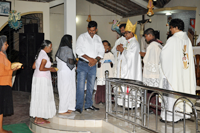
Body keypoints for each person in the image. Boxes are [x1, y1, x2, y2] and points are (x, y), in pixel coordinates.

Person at [159, 19, 196, 123]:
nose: (170, 30)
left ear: (175, 27)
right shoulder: (187, 39)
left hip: (174, 73)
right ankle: (182, 115)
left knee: (172, 92)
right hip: (184, 72)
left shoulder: (173, 39)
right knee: (183, 90)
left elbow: (164, 55)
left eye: (170, 28)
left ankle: (171, 117)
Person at [75, 21, 105, 113]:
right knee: (80, 86)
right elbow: (78, 50)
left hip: (93, 65)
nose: (91, 32)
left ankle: (88, 105)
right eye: (90, 30)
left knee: (91, 86)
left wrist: (95, 60)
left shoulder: (98, 38)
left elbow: (101, 51)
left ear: (96, 29)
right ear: (87, 29)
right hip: (83, 64)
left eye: (93, 30)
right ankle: (79, 107)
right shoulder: (82, 37)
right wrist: (89, 59)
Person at [116, 19, 142, 108]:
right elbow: (124, 53)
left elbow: (131, 56)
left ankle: (130, 104)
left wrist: (122, 50)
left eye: (127, 32)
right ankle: (122, 102)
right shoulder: (128, 42)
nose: (125, 34)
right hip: (124, 68)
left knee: (128, 86)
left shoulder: (135, 43)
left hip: (130, 70)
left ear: (132, 33)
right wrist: (120, 50)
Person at [30, 40, 56, 124]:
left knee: (38, 97)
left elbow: (34, 66)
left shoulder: (39, 54)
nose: (51, 49)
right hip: (43, 79)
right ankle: (40, 118)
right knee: (42, 97)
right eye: (50, 47)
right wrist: (51, 69)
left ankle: (37, 117)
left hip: (36, 78)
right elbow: (41, 68)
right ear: (46, 47)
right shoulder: (44, 56)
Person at [140, 28, 163, 115]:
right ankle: (155, 108)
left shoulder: (152, 45)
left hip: (151, 73)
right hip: (157, 72)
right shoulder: (158, 44)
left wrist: (144, 57)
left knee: (150, 91)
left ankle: (152, 109)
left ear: (150, 35)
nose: (145, 39)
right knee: (156, 92)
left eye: (146, 36)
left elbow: (149, 60)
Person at [0, 35, 19, 133]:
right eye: (5, 44)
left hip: (3, 84)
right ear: (1, 45)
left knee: (1, 107)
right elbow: (1, 73)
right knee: (1, 107)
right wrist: (12, 70)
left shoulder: (3, 55)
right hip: (2, 84)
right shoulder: (0, 56)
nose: (7, 45)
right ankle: (0, 129)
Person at [56, 35, 76, 115]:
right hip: (68, 71)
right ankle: (63, 109)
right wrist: (76, 62)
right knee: (69, 89)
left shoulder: (59, 50)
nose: (71, 42)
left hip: (61, 72)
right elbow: (71, 62)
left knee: (63, 89)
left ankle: (69, 107)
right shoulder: (67, 49)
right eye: (71, 40)